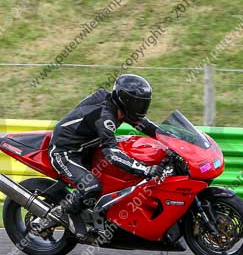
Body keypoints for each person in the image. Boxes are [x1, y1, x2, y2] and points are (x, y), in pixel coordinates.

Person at [32, 74, 164, 240]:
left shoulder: (120, 108)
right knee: (91, 186)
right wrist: (145, 169)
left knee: (117, 178)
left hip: (88, 148)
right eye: (137, 102)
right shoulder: (105, 117)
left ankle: (102, 215)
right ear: (125, 100)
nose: (141, 107)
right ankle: (60, 213)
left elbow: (150, 128)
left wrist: (175, 139)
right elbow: (112, 154)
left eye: (144, 103)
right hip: (65, 151)